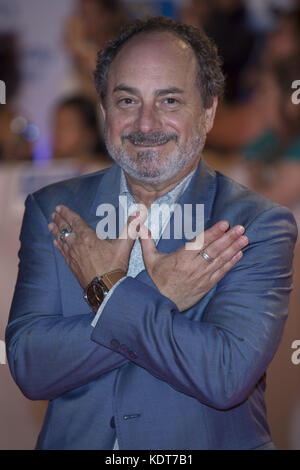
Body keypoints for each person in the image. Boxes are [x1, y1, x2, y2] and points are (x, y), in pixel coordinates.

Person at [6, 16, 297, 450]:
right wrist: (159, 290)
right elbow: (31, 365)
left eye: (170, 101)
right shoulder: (56, 210)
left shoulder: (253, 224)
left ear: (209, 110)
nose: (145, 124)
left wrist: (112, 293)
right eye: (127, 101)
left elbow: (226, 375)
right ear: (104, 108)